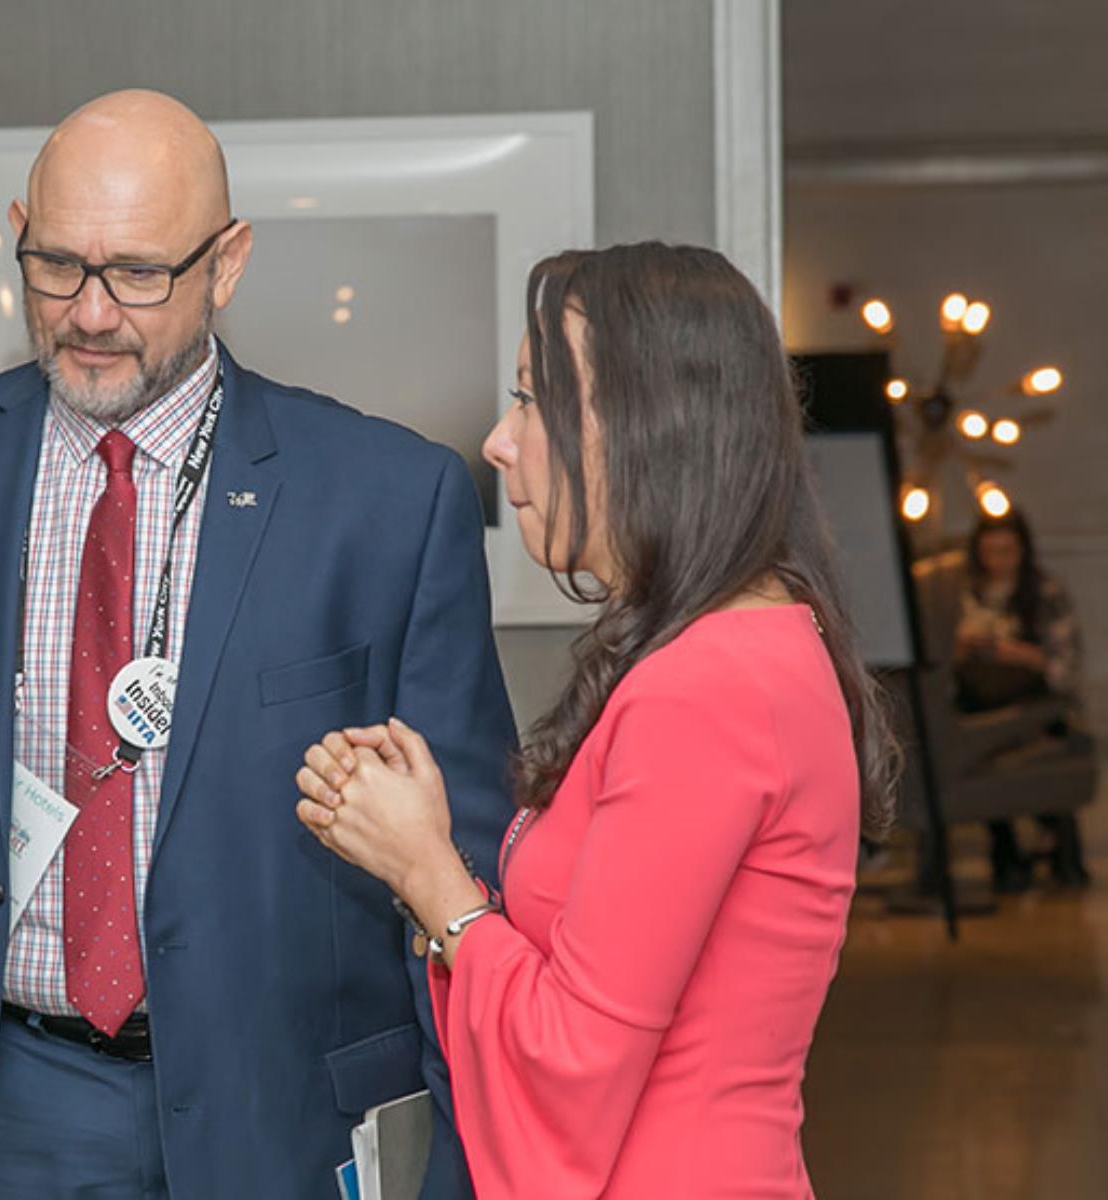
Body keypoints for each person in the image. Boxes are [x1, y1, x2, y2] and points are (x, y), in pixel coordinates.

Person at [0, 90, 514, 1198]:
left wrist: (463, 1170)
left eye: (138, 273)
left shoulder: (382, 500)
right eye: (56, 267)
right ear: (16, 234)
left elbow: (462, 864)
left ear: (225, 265)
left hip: (274, 1122)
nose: (90, 314)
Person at [297, 243, 897, 1198]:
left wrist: (427, 869)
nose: (500, 440)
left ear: (641, 430)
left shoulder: (709, 685)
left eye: (533, 400)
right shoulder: (756, 642)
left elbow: (573, 1058)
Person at [955, 508, 1091, 889]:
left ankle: (1054, 846)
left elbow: (1065, 668)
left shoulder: (1046, 594)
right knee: (978, 752)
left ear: (1022, 551)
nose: (998, 561)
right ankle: (1009, 853)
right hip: (983, 706)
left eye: (1006, 551)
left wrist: (1012, 652)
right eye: (989, 551)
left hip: (1036, 705)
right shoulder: (966, 593)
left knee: (1034, 755)